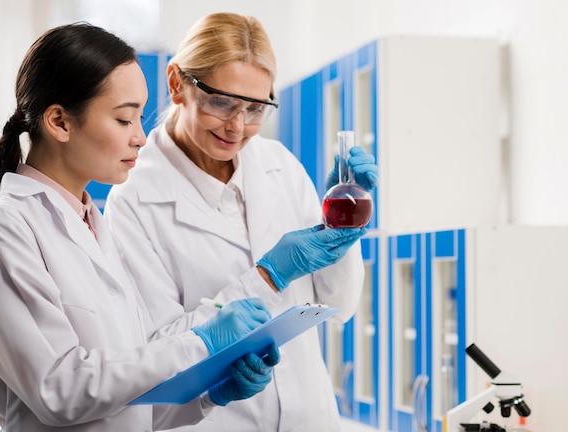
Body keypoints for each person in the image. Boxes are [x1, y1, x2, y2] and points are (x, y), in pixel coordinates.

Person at [0, 22, 283, 432]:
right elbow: (60, 391)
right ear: (60, 122)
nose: (141, 137)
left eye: (141, 118)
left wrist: (213, 393)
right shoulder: (5, 226)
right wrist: (200, 342)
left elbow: (132, 398)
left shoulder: (93, 226)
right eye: (125, 120)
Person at [104, 12, 379, 432]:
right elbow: (156, 351)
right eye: (221, 102)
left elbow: (338, 306)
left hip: (312, 419)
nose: (238, 126)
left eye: (255, 108)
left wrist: (340, 229)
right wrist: (268, 277)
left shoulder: (279, 165)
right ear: (177, 84)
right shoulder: (135, 200)